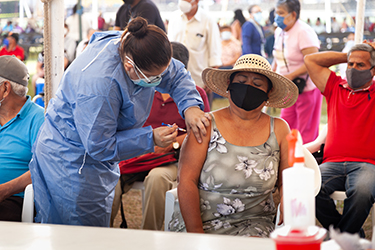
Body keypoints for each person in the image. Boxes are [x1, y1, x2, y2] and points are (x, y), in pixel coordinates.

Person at [29, 17, 211, 227]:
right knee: (77, 232)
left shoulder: (134, 45)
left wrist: (191, 107)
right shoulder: (100, 87)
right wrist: (149, 138)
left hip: (93, 153)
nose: (159, 82)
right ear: (129, 66)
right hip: (71, 160)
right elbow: (99, 145)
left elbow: (175, 74)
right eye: (153, 79)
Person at [169, 54, 298, 236]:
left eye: (257, 84)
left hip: (255, 225)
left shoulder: (279, 129)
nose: (248, 88)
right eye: (242, 81)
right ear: (230, 84)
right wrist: (196, 234)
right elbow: (186, 181)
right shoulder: (206, 124)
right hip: (200, 224)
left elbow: (287, 179)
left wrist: (287, 198)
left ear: (268, 92)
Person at [111, 41, 210, 230]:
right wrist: (142, 143)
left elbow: (201, 133)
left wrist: (171, 144)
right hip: (138, 156)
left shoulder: (194, 95)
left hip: (171, 159)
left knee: (157, 179)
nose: (159, 78)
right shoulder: (143, 85)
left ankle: (150, 236)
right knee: (110, 179)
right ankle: (99, 236)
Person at [304, 41, 375, 237]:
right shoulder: (335, 86)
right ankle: (348, 236)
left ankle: (340, 238)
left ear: (373, 70)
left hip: (366, 164)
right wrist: (351, 55)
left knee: (362, 193)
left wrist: (368, 53)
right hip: (332, 163)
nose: (353, 69)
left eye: (360, 65)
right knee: (308, 187)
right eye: (350, 65)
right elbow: (310, 60)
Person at [0, 55, 45, 221]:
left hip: (14, 198)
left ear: (5, 88)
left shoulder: (38, 119)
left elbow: (43, 168)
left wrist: (4, 190)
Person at [272, 0, 322, 144]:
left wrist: (291, 75)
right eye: (276, 12)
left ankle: (306, 162)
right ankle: (287, 160)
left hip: (305, 88)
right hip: (287, 90)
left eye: (281, 13)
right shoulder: (279, 32)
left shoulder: (304, 32)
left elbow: (313, 61)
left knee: (305, 131)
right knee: (285, 126)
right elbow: (277, 56)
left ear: (293, 15)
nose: (277, 16)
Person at [168, 0, 222, 108]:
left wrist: (211, 80)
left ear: (196, 1)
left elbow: (214, 52)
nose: (183, 2)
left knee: (202, 116)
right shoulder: (174, 18)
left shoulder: (208, 20)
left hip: (199, 80)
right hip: (175, 79)